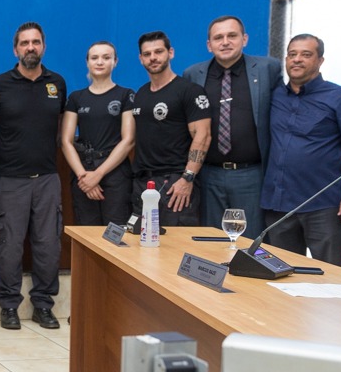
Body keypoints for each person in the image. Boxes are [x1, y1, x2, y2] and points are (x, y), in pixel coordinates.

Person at [260, 34, 341, 265]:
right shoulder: (273, 96)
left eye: (306, 54)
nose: (297, 60)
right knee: (279, 275)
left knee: (329, 277)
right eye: (292, 54)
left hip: (323, 205)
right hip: (278, 204)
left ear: (320, 60)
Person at [0, 22, 66, 331]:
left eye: (36, 42)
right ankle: (9, 306)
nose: (30, 48)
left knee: (48, 245)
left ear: (43, 46)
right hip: (10, 179)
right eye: (24, 43)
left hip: (47, 178)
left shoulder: (57, 83)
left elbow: (59, 126)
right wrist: (3, 149)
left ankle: (43, 305)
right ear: (15, 49)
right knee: (9, 245)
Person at [182, 16, 282, 238]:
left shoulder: (268, 69)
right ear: (209, 45)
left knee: (250, 241)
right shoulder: (193, 75)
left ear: (244, 39)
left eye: (232, 36)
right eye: (218, 37)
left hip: (252, 174)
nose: (225, 42)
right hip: (209, 174)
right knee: (211, 240)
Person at [131, 31, 212, 226]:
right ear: (141, 58)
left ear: (171, 53)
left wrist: (187, 178)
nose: (153, 58)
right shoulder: (141, 94)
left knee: (173, 249)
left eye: (159, 51)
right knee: (140, 247)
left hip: (175, 184)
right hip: (143, 183)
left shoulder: (189, 91)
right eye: (147, 54)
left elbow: (203, 135)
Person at [60, 40, 136, 227]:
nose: (100, 62)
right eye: (94, 58)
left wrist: (99, 174)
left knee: (116, 231)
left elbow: (129, 140)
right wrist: (84, 177)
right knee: (87, 232)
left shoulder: (126, 95)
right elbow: (66, 141)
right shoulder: (76, 98)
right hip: (83, 171)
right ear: (87, 62)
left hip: (115, 171)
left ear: (115, 62)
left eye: (106, 57)